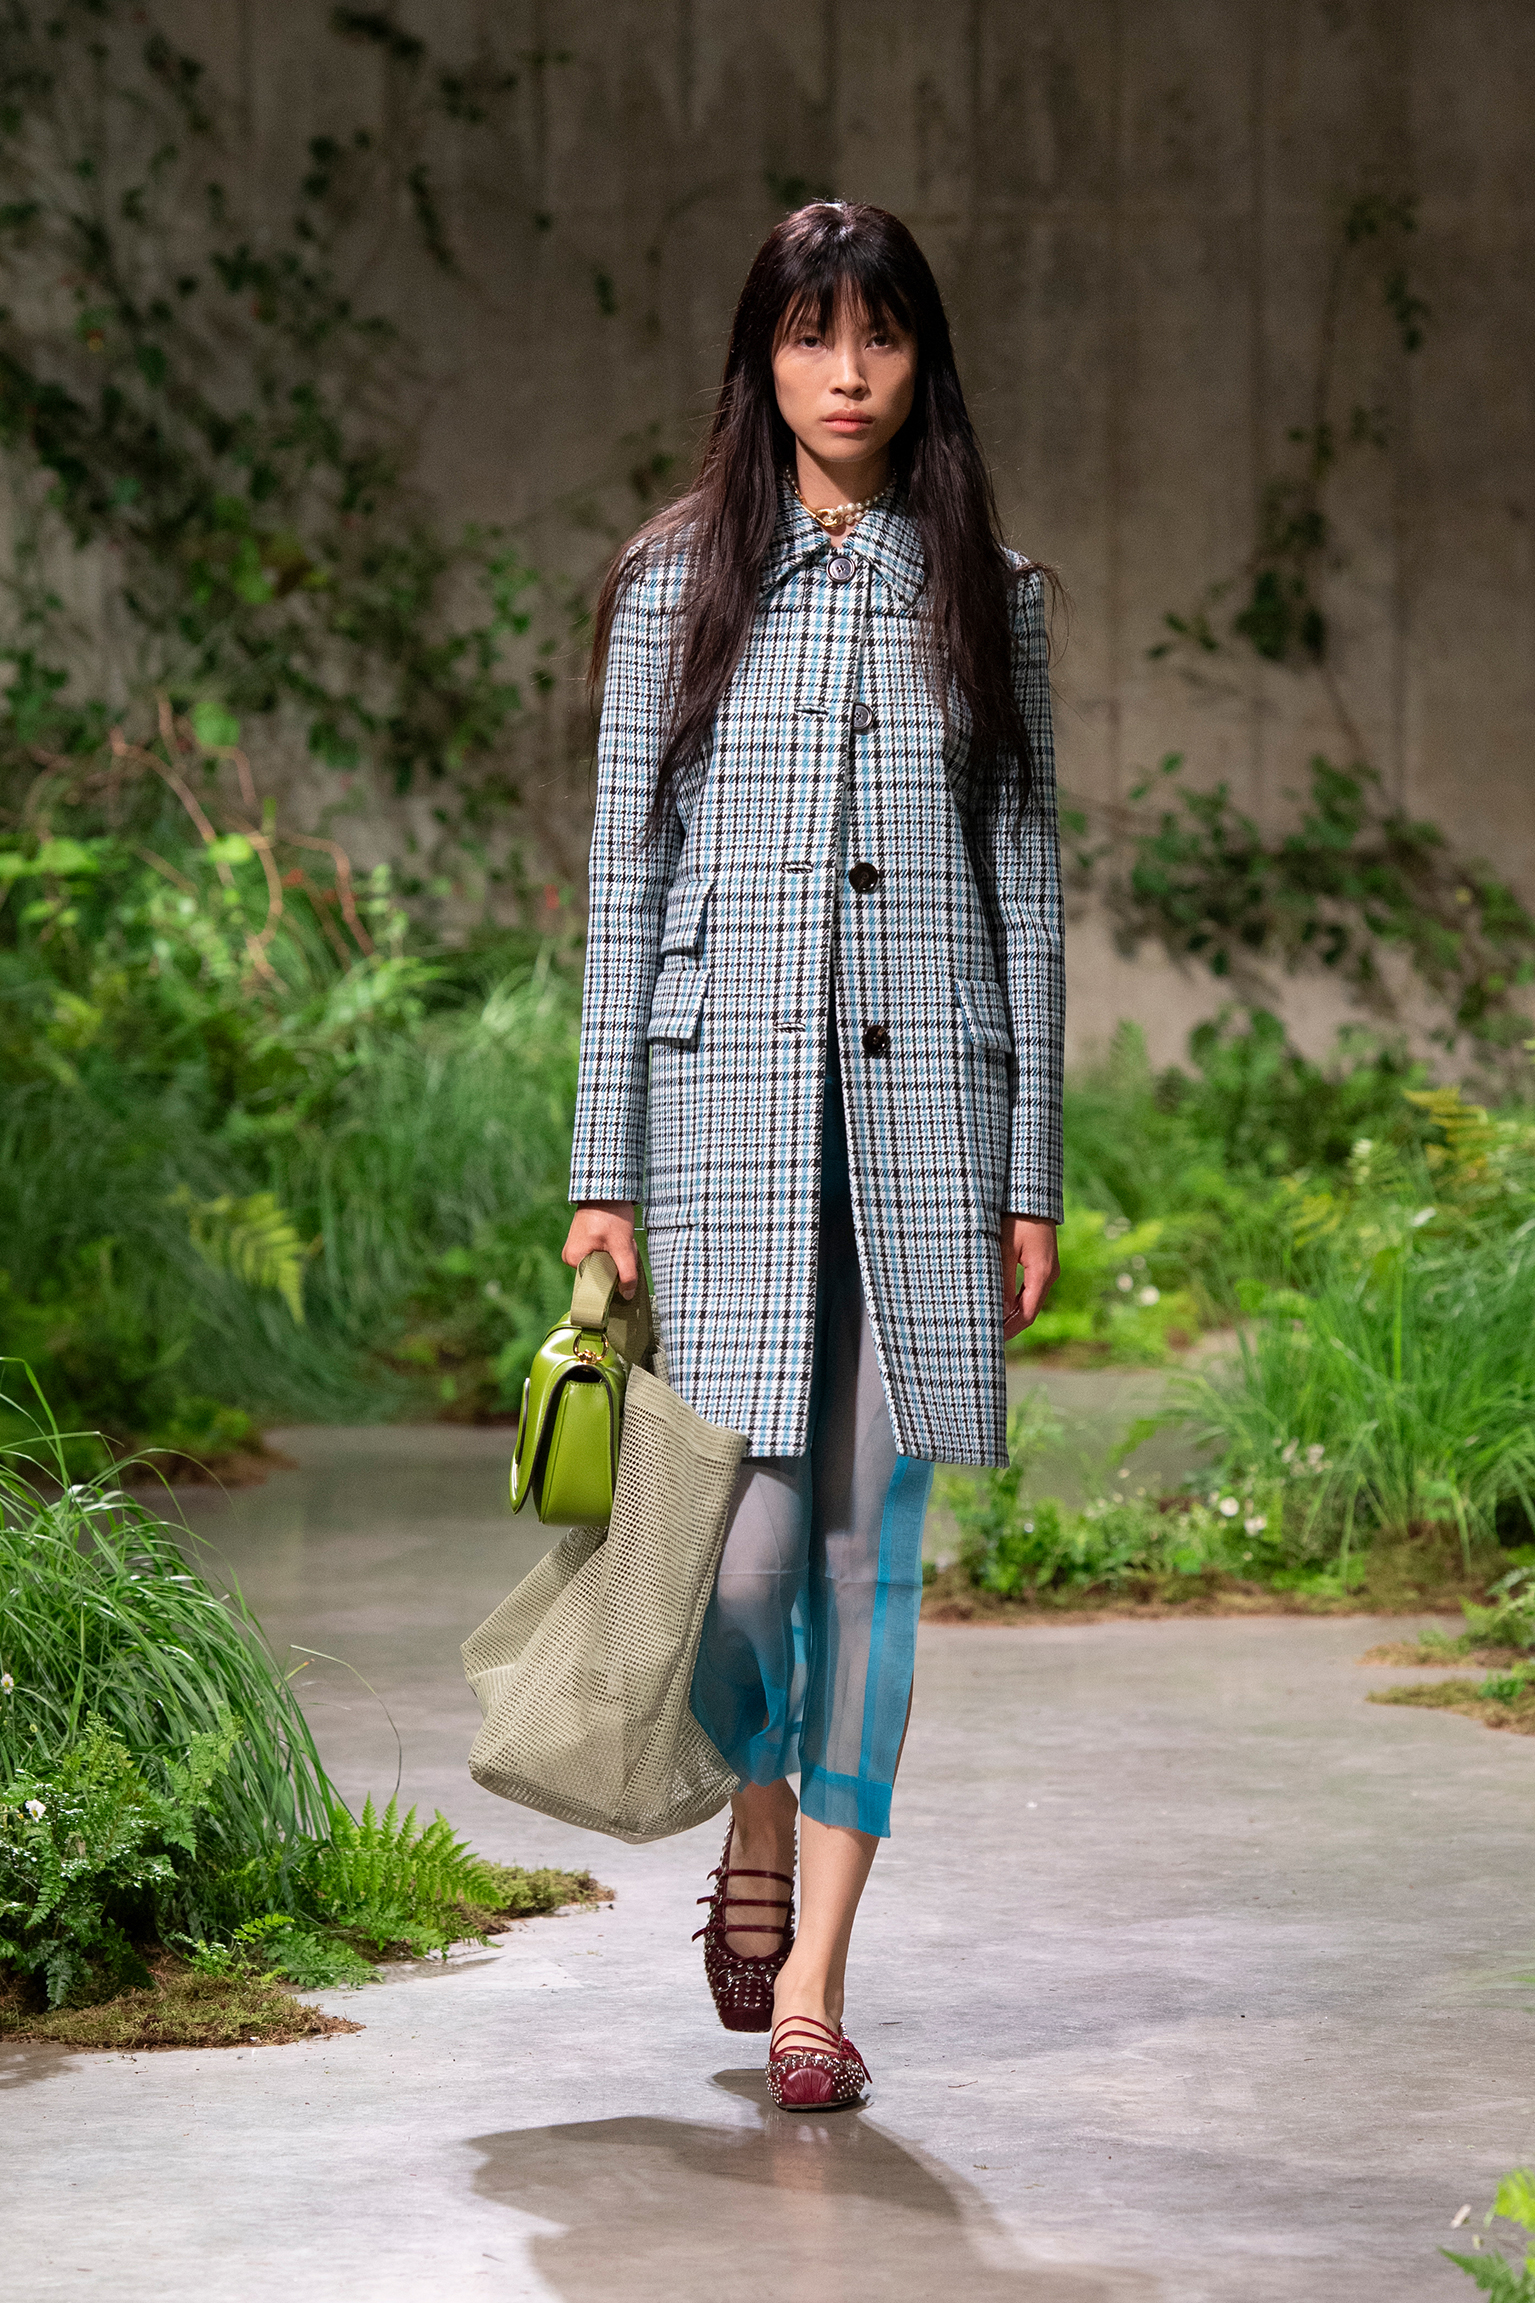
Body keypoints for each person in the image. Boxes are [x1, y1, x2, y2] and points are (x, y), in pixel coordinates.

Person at [563, 201, 1063, 2111]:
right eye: (809, 337)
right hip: (723, 1124)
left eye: (881, 339)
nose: (846, 376)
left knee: (871, 1555)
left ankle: (815, 1988)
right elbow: (627, 887)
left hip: (932, 1128)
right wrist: (603, 1166)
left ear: (925, 361)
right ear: (759, 359)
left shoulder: (990, 593)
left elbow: (1029, 896)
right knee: (747, 1558)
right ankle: (753, 1812)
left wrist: (1031, 1172)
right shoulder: (674, 580)